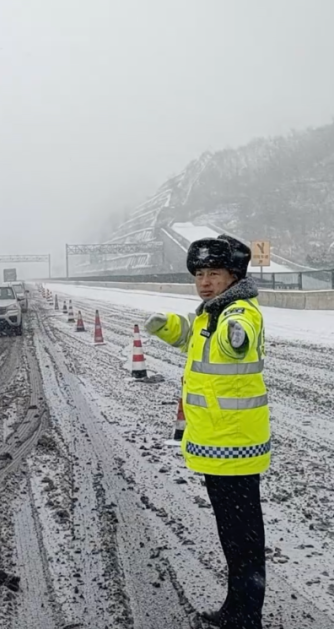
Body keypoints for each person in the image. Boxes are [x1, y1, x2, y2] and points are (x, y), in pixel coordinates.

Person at [143, 234, 270, 629]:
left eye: (213, 273)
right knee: (232, 535)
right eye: (199, 274)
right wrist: (169, 328)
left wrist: (236, 337)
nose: (204, 281)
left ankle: (246, 614)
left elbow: (238, 339)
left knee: (242, 537)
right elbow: (195, 342)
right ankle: (238, 606)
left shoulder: (239, 313)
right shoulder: (209, 314)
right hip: (217, 444)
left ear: (233, 275)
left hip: (235, 444)